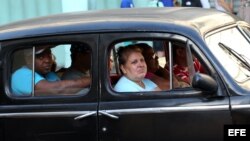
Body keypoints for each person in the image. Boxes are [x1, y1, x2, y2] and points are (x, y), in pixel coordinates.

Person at [11, 45, 91, 96]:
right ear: (28, 59)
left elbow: (69, 91)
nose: (47, 60)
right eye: (41, 56)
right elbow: (58, 90)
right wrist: (92, 79)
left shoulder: (50, 75)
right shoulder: (21, 75)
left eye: (49, 55)